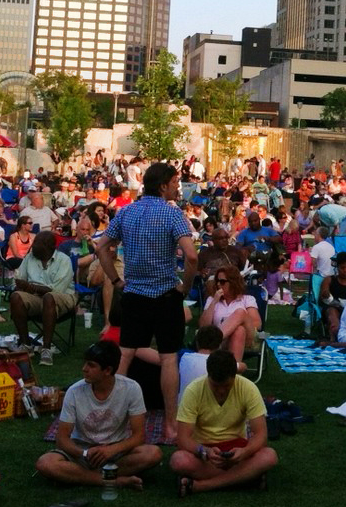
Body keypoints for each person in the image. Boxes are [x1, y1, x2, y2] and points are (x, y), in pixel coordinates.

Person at [96, 162, 198, 444]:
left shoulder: (126, 212)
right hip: (166, 294)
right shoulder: (172, 214)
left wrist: (116, 281)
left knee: (125, 355)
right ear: (163, 185)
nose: (178, 186)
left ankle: (110, 418)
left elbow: (101, 246)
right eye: (175, 182)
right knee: (168, 359)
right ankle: (170, 425)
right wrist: (185, 287)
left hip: (134, 294)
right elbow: (191, 256)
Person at [35, 341, 161, 491]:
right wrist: (84, 453)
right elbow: (61, 439)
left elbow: (139, 436)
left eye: (91, 365)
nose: (84, 369)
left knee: (153, 453)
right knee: (46, 463)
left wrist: (111, 450)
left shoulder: (131, 388)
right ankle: (113, 480)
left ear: (107, 370)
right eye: (85, 364)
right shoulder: (74, 392)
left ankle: (82, 476)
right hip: (82, 451)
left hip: (117, 451)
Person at [170, 350, 279, 496]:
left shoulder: (248, 388)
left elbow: (261, 435)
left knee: (269, 456)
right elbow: (183, 439)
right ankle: (245, 477)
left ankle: (202, 485)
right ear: (208, 376)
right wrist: (204, 451)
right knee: (179, 461)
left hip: (236, 449)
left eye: (226, 385)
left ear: (235, 377)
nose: (221, 391)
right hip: (205, 452)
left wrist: (244, 452)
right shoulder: (193, 390)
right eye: (215, 386)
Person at [9, 229, 75, 366]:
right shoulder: (30, 257)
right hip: (36, 297)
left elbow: (57, 290)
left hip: (62, 298)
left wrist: (31, 288)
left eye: (38, 246)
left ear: (50, 247)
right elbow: (19, 279)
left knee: (49, 297)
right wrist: (20, 286)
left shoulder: (64, 260)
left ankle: (46, 348)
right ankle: (26, 345)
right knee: (16, 297)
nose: (33, 248)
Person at [200, 266, 262, 369]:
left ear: (233, 283)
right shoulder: (212, 300)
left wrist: (234, 323)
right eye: (217, 281)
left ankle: (215, 340)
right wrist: (215, 301)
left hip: (247, 338)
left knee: (240, 313)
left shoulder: (247, 299)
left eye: (222, 282)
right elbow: (203, 326)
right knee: (239, 330)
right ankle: (232, 372)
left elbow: (257, 324)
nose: (218, 284)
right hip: (228, 339)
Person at [319, 251, 346, 341]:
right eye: (342, 268)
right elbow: (322, 297)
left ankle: (342, 337)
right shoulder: (330, 280)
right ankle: (334, 332)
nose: (345, 270)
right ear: (337, 267)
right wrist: (326, 294)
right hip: (334, 307)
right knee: (332, 311)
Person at [179, 326, 224, 401]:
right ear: (219, 346)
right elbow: (242, 366)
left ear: (197, 342)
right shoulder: (220, 362)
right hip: (207, 410)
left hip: (182, 409)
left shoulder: (183, 355)